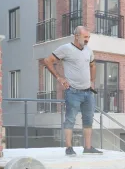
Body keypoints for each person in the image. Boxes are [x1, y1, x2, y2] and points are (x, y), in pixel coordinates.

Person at [43, 26, 102, 156]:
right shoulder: (66, 49)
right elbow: (48, 61)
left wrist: (92, 81)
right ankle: (69, 148)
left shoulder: (88, 51)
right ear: (76, 36)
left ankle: (87, 147)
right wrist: (59, 77)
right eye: (85, 37)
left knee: (88, 120)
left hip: (88, 92)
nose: (87, 40)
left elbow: (93, 65)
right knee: (70, 119)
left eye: (88, 37)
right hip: (73, 91)